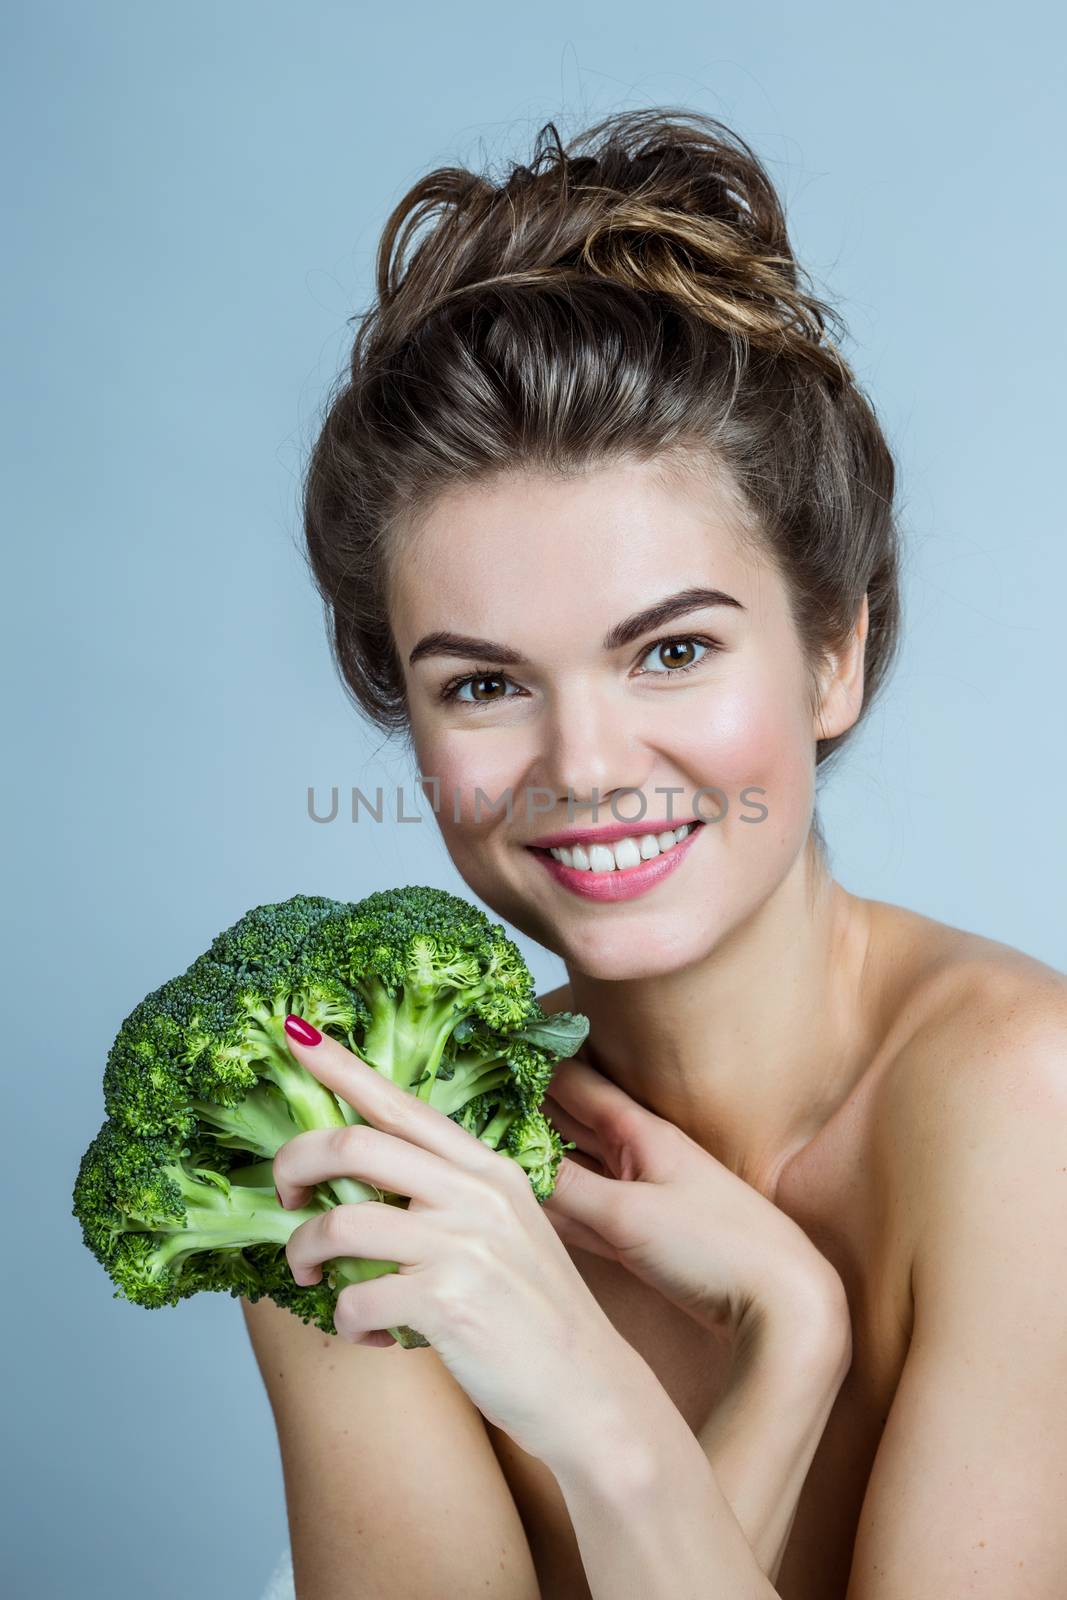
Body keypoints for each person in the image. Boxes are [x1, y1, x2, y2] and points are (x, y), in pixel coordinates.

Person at [243, 108, 1067, 1598]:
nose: (588, 767)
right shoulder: (371, 1158)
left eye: (671, 650)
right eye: (484, 684)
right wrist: (779, 1367)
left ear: (834, 657)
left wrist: (609, 1422)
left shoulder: (1029, 1108)